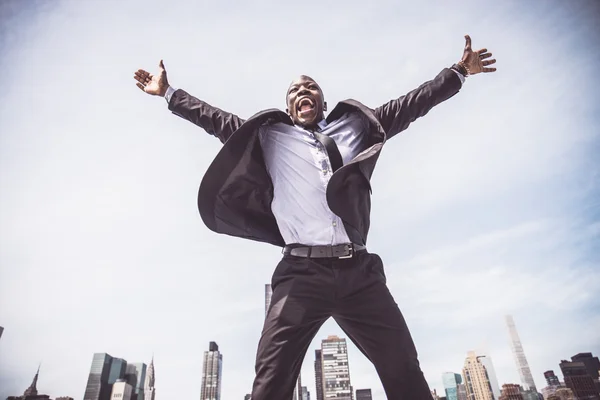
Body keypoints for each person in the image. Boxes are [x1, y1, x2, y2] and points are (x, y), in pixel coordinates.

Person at [133, 34, 496, 399]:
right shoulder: (270, 138)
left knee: (403, 367)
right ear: (289, 107)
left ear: (322, 103)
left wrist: (459, 71)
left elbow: (411, 105)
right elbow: (215, 119)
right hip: (300, 277)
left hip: (359, 274)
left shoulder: (356, 128)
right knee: (271, 378)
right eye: (294, 90)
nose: (302, 90)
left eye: (310, 86)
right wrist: (168, 94)